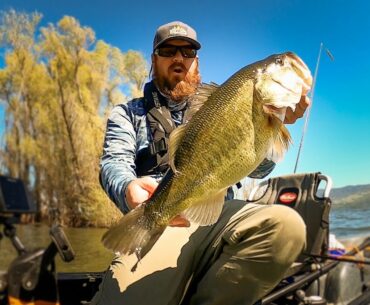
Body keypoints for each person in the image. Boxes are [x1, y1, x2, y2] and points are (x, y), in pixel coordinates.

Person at [91, 21, 309, 305]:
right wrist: (129, 186)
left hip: (221, 215)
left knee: (286, 226)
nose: (179, 58)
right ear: (154, 60)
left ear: (196, 62)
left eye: (188, 51)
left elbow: (258, 169)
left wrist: (276, 121)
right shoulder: (128, 114)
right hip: (168, 218)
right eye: (169, 50)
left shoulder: (219, 102)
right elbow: (113, 164)